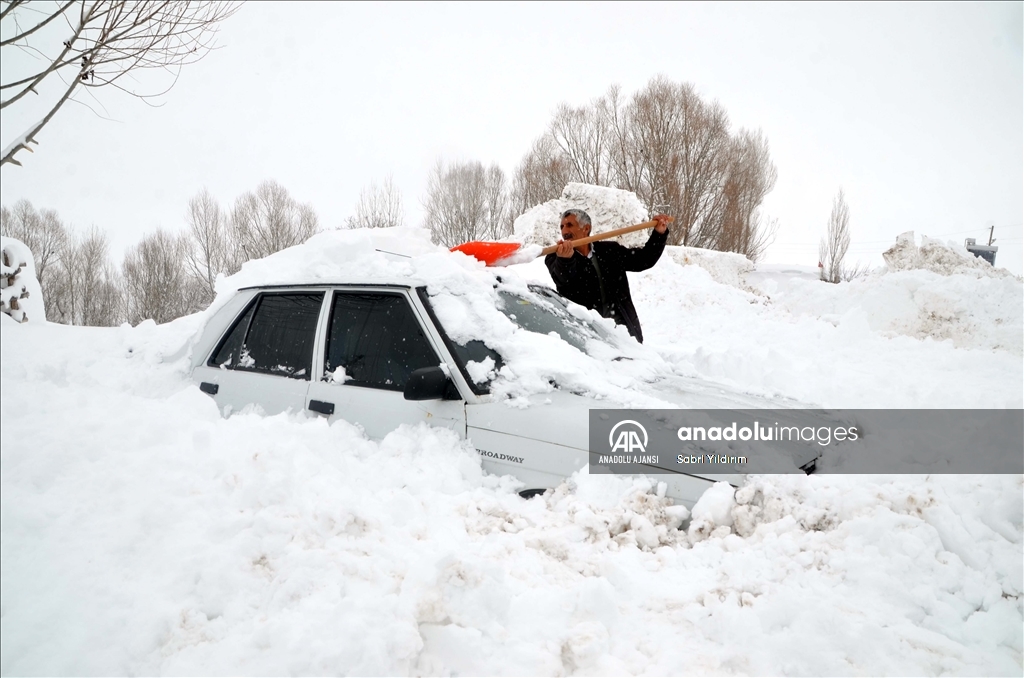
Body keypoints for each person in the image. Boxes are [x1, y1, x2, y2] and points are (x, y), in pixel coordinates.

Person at [544, 209, 671, 343]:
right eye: (562, 227)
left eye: (569, 225)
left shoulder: (609, 251)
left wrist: (659, 234)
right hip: (586, 336)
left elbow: (643, 260)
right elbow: (563, 281)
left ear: (586, 228)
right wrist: (565, 260)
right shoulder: (555, 257)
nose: (564, 231)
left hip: (624, 332)